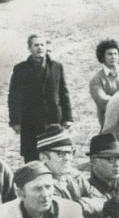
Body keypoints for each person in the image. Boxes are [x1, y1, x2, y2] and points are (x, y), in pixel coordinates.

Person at [8, 34, 74, 162]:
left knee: (55, 154)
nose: (40, 48)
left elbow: (63, 93)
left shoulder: (57, 67)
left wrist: (68, 117)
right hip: (30, 122)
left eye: (42, 45)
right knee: (32, 156)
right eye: (36, 45)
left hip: (53, 120)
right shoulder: (21, 69)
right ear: (29, 48)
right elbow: (14, 97)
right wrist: (15, 121)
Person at [89, 39, 119, 125]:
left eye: (115, 54)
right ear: (102, 57)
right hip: (110, 124)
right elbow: (103, 102)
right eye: (109, 54)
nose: (113, 57)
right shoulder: (97, 80)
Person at [36, 125, 85, 201]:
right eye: (61, 153)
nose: (67, 158)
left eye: (69, 152)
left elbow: (100, 199)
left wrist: (80, 205)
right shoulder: (41, 185)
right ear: (43, 157)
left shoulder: (76, 177)